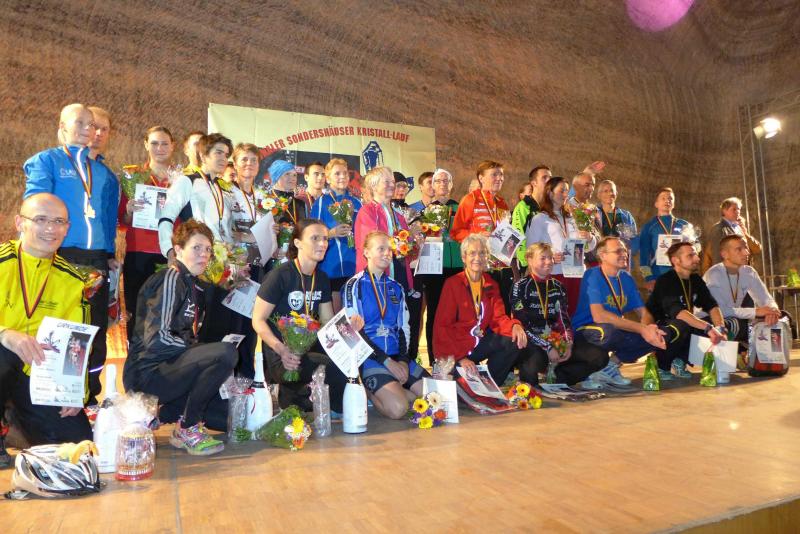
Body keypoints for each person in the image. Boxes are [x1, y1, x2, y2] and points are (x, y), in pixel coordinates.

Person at [23, 103, 119, 400]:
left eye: (91, 125)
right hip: (60, 256)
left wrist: (110, 253)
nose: (87, 129)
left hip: (96, 260)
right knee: (58, 329)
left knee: (95, 331)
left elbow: (107, 217)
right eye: (79, 123)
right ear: (62, 127)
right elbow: (35, 205)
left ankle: (89, 396)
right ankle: (46, 395)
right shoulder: (46, 161)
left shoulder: (103, 173)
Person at [124, 220, 235, 456]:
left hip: (172, 371)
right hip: (147, 373)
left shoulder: (192, 284)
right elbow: (157, 338)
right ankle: (187, 427)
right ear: (178, 250)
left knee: (230, 417)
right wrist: (200, 354)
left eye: (208, 249)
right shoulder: (171, 278)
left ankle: (161, 414)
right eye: (197, 248)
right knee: (226, 353)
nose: (204, 254)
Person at [1, 194, 92, 465]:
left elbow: (76, 344)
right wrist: (6, 334)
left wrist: (75, 392)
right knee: (4, 354)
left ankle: (15, 424)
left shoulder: (73, 280)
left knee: (76, 446)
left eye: (59, 222)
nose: (50, 228)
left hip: (39, 375)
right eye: (40, 219)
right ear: (20, 223)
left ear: (67, 228)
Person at [252, 219, 353, 411]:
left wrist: (348, 330)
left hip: (309, 350)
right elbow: (258, 320)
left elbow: (327, 321)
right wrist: (281, 349)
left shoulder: (321, 278)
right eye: (315, 238)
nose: (322, 243)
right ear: (297, 243)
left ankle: (311, 398)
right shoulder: (279, 275)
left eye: (325, 239)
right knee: (329, 367)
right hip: (283, 356)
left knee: (351, 350)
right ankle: (291, 392)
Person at [572, 237, 688, 388]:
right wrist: (642, 329)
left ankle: (610, 366)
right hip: (587, 330)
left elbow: (644, 313)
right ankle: (593, 370)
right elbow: (599, 316)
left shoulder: (626, 278)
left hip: (614, 329)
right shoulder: (592, 275)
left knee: (664, 332)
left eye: (625, 250)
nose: (624, 254)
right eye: (618, 251)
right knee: (608, 331)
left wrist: (649, 330)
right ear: (603, 255)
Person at [342, 231, 430, 419]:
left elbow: (404, 329)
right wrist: (386, 361)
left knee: (436, 397)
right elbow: (355, 334)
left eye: (389, 249)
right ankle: (368, 391)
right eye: (380, 249)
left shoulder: (396, 287)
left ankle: (397, 390)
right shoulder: (354, 285)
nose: (387, 253)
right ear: (366, 252)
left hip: (396, 356)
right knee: (398, 409)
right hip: (371, 359)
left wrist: (403, 361)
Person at [433, 234, 527, 384]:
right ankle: (464, 375)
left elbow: (498, 318)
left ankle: (491, 383)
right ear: (464, 257)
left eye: (482, 253)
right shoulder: (453, 284)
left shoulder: (491, 284)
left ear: (487, 257)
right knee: (461, 388)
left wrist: (514, 325)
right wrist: (460, 358)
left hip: (476, 344)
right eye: (472, 253)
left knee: (513, 340)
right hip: (455, 348)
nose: (477, 258)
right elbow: (442, 327)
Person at [354, 167, 423, 364]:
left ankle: (404, 361)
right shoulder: (367, 211)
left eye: (393, 181)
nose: (392, 184)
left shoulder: (399, 215)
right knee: (377, 323)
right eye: (387, 181)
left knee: (401, 322)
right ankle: (378, 363)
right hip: (376, 279)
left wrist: (415, 243)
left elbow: (407, 251)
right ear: (373, 186)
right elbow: (371, 244)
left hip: (399, 275)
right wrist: (398, 243)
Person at [118, 126, 176, 339]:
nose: (159, 148)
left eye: (164, 143)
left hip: (170, 253)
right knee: (137, 311)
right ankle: (135, 355)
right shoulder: (133, 176)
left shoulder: (180, 179)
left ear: (173, 146)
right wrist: (129, 211)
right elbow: (123, 221)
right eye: (154, 143)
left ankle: (166, 356)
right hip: (139, 253)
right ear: (145, 145)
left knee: (169, 313)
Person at [643, 242, 726, 380]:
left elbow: (712, 305)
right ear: (676, 260)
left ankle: (680, 360)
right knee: (683, 325)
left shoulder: (695, 279)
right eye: (690, 255)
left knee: (720, 323)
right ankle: (662, 365)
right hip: (660, 326)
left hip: (683, 322)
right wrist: (708, 328)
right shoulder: (666, 280)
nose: (697, 259)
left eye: (696, 255)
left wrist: (720, 327)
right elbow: (678, 313)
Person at [511, 243, 584, 385]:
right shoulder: (520, 286)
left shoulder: (558, 286)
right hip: (533, 341)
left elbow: (563, 319)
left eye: (550, 258)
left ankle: (559, 377)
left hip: (556, 340)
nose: (549, 262)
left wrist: (568, 343)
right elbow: (522, 324)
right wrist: (548, 347)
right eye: (543, 258)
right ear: (530, 260)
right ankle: (528, 381)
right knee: (533, 359)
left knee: (596, 356)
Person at [526, 176, 597, 316]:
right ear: (550, 193)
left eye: (567, 191)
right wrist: (550, 257)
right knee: (558, 315)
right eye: (561, 191)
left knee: (576, 313)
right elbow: (531, 249)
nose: (566, 194)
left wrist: (590, 238)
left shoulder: (574, 217)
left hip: (577, 272)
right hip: (555, 273)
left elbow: (588, 247)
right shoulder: (540, 219)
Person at [157, 133, 234, 261]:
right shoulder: (186, 181)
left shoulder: (221, 188)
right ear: (203, 156)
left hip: (221, 260)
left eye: (226, 155)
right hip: (195, 257)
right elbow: (166, 218)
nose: (223, 159)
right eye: (218, 153)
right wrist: (170, 252)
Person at [451, 160, 513, 311]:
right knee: (480, 310)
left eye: (501, 175)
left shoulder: (502, 203)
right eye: (494, 175)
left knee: (502, 308)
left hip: (501, 264)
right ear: (481, 178)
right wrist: (476, 237)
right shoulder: (470, 199)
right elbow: (456, 232)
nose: (499, 178)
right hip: (478, 265)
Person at [415, 169, 462, 361]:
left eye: (446, 180)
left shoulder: (460, 208)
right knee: (434, 313)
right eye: (438, 181)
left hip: (457, 267)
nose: (442, 184)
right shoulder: (425, 211)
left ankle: (457, 356)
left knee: (457, 313)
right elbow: (418, 238)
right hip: (434, 268)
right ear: (432, 186)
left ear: (451, 185)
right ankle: (435, 358)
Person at [703, 235, 781, 345]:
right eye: (739, 249)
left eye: (746, 248)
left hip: (734, 317)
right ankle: (736, 350)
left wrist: (772, 311)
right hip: (709, 320)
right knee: (736, 324)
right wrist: (755, 312)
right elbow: (720, 311)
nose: (746, 253)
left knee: (782, 317)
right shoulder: (714, 274)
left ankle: (767, 354)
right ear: (725, 254)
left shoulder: (749, 272)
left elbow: (766, 299)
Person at [311, 158, 362, 311]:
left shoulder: (357, 203)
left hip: (354, 266)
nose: (342, 177)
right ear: (328, 178)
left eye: (345, 173)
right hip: (330, 267)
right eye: (337, 173)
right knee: (334, 317)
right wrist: (331, 233)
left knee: (353, 315)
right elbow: (312, 234)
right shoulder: (321, 202)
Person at [639, 187, 690, 291]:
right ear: (656, 203)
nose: (667, 201)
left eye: (670, 198)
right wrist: (649, 278)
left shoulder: (684, 225)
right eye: (663, 198)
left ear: (674, 204)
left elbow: (695, 248)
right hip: (658, 276)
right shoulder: (649, 227)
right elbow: (644, 256)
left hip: (681, 275)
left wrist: (696, 246)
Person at [701, 197, 761, 273]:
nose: (738, 212)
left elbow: (757, 249)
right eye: (734, 209)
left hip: (741, 272)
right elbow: (718, 256)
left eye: (739, 209)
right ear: (724, 211)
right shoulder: (719, 229)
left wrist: (745, 233)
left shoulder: (739, 228)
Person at [267, 159, 307, 265]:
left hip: (296, 257)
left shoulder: (300, 204)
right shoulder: (266, 202)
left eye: (294, 175)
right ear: (276, 176)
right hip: (272, 260)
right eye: (287, 174)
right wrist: (272, 249)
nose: (292, 178)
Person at [511, 165, 551, 268]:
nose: (549, 181)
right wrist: (526, 263)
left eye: (550, 178)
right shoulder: (524, 206)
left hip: (549, 263)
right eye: (544, 178)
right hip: (531, 265)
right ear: (534, 183)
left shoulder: (551, 206)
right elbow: (517, 236)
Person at [596, 180, 638, 256]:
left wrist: (624, 252)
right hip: (599, 257)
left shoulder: (626, 216)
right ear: (599, 195)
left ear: (616, 194)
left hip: (620, 257)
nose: (610, 193)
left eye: (612, 191)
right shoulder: (593, 214)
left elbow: (633, 240)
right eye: (605, 191)